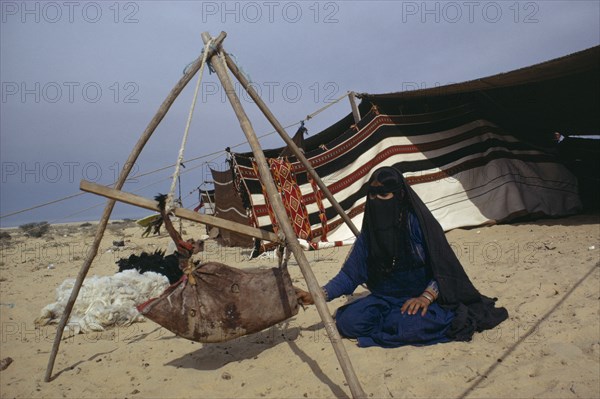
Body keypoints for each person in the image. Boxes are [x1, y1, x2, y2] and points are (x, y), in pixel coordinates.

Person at [295, 166, 508, 348]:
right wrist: (317, 295)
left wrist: (425, 297)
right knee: (349, 322)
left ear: (399, 195)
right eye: (372, 195)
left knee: (412, 325)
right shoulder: (371, 233)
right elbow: (350, 275)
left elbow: (443, 270)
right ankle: (392, 323)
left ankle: (396, 324)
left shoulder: (417, 225)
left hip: (421, 297)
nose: (377, 200)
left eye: (384, 195)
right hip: (385, 298)